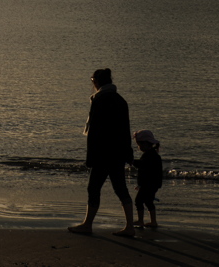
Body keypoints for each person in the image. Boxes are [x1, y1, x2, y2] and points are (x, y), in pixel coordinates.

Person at [68, 68, 135, 237]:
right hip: (118, 152)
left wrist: (90, 157)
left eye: (92, 81)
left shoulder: (99, 99)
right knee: (120, 189)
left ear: (97, 82)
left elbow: (95, 132)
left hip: (103, 152)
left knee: (93, 188)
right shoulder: (120, 100)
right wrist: (128, 153)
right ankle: (130, 226)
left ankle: (87, 224)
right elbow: (125, 129)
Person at [131, 130, 163, 229]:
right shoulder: (153, 154)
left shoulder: (149, 155)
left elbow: (142, 165)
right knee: (148, 201)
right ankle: (153, 221)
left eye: (139, 144)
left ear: (145, 144)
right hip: (153, 184)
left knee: (139, 201)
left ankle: (141, 220)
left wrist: (131, 161)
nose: (139, 147)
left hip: (148, 184)